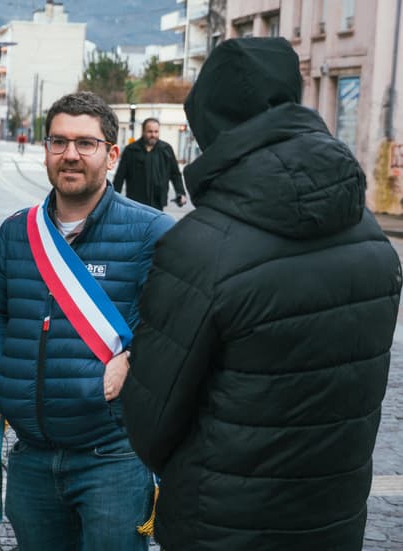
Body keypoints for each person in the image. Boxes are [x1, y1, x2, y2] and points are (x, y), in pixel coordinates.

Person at [121, 37, 402, 551]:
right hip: (333, 524)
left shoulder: (200, 247)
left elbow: (149, 425)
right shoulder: (372, 240)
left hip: (221, 526)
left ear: (213, 125)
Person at [0, 91, 175, 551]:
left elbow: (176, 327)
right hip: (31, 458)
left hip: (113, 458)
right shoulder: (16, 232)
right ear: (45, 150)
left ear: (111, 154)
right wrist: (2, 372)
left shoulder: (150, 231)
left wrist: (132, 360)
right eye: (58, 142)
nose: (70, 155)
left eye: (86, 143)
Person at [112, 118, 186, 210]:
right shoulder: (131, 150)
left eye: (156, 132)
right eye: (150, 132)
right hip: (135, 203)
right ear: (143, 131)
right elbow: (120, 176)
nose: (153, 135)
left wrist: (181, 193)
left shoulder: (166, 149)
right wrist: (113, 197)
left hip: (158, 203)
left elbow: (175, 174)